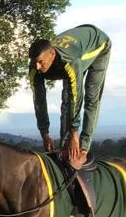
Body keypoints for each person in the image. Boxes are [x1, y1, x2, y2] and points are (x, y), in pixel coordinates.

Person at [29, 24, 111, 167]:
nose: (37, 66)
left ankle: (83, 149)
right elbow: (39, 101)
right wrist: (45, 134)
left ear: (52, 55)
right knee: (66, 101)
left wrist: (74, 136)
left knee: (90, 98)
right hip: (77, 48)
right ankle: (64, 148)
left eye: (40, 62)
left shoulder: (69, 61)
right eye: (34, 62)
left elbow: (76, 98)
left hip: (98, 45)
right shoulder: (34, 68)